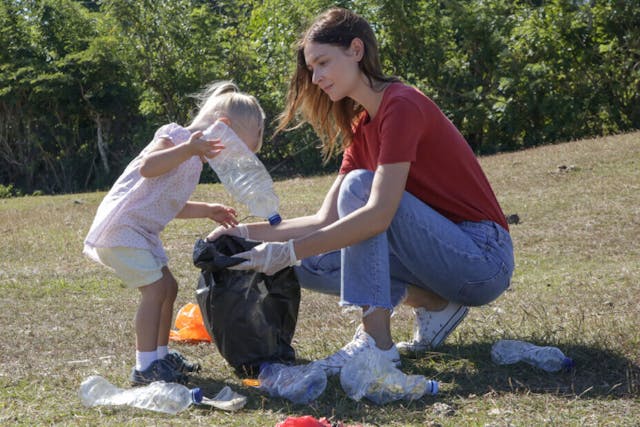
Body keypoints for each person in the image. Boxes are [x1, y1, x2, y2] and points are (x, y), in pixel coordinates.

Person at [207, 8, 514, 376]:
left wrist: (285, 251)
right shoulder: (361, 126)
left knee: (356, 192)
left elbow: (378, 214)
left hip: (481, 258)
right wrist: (241, 236)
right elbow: (325, 219)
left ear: (356, 50)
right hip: (438, 261)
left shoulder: (401, 105)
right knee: (308, 264)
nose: (317, 78)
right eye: (312, 69)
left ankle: (376, 348)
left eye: (323, 63)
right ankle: (436, 305)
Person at [83, 81, 266, 385]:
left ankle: (160, 357)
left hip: (140, 233)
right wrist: (187, 148)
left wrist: (207, 208)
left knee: (168, 286)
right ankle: (144, 368)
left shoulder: (192, 160)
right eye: (233, 151)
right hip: (121, 229)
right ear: (221, 128)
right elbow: (148, 167)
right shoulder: (175, 136)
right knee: (155, 291)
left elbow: (169, 203)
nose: (231, 162)